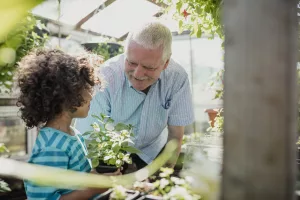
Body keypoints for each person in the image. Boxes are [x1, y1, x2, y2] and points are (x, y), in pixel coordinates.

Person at [76, 21, 194, 170]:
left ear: (165, 63)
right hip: (108, 155)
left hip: (153, 153)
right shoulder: (106, 77)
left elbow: (175, 137)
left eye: (148, 67)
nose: (138, 73)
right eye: (131, 63)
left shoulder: (177, 78)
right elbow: (89, 138)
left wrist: (163, 179)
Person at [16, 49, 121, 200]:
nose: (91, 96)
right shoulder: (52, 148)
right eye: (86, 89)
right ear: (66, 97)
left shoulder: (71, 134)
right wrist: (93, 189)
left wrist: (99, 177)